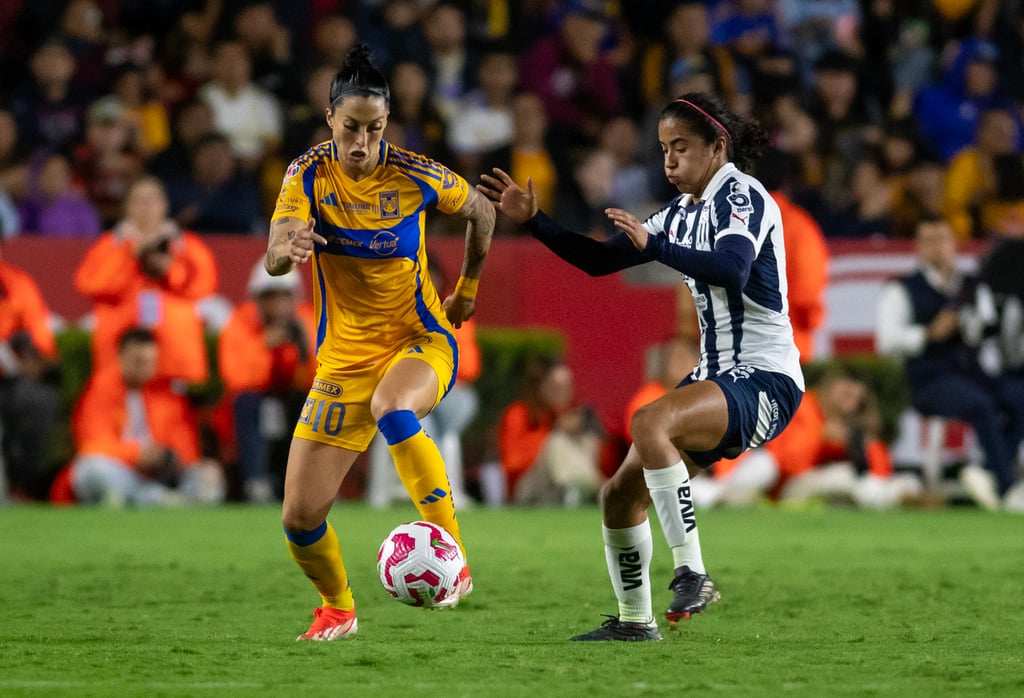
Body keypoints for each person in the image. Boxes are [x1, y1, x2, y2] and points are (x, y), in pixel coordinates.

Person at [479, 91, 804, 641]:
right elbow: (600, 261)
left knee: (651, 421)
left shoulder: (742, 196)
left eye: (681, 147)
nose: (669, 161)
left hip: (765, 377)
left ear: (717, 146)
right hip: (717, 376)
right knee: (618, 497)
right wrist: (535, 221)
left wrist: (657, 246)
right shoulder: (680, 212)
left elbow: (730, 267)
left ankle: (693, 573)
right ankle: (635, 622)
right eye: (662, 149)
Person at [265, 45, 494, 641]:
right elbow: (274, 250)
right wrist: (287, 253)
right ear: (329, 119)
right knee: (299, 517)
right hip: (343, 361)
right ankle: (338, 608)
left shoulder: (415, 174)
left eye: (375, 129)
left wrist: (466, 288)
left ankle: (456, 558)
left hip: (419, 341)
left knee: (392, 406)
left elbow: (483, 211)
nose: (362, 142)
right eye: (351, 129)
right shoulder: (306, 173)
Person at [876, 215, 1024, 511]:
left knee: (1018, 395)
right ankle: (1006, 488)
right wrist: (928, 333)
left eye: (943, 240)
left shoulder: (971, 284)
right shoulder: (902, 289)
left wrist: (970, 325)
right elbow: (886, 341)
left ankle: (993, 473)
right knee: (980, 404)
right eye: (930, 241)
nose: (939, 248)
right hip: (927, 379)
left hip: (971, 372)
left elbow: (986, 329)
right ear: (918, 247)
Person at [75, 175, 217, 386]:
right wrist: (128, 254)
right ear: (127, 207)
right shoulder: (111, 244)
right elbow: (90, 284)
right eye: (139, 200)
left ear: (164, 205)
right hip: (119, 352)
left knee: (171, 415)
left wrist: (169, 269)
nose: (146, 207)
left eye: (152, 200)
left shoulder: (184, 245)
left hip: (173, 356)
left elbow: (203, 285)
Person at [63, 327, 225, 507]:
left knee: (209, 474)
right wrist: (138, 456)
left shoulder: (167, 393)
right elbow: (93, 445)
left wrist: (172, 461)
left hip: (159, 475)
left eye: (150, 362)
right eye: (138, 361)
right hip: (121, 470)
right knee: (91, 469)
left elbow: (184, 445)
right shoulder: (100, 389)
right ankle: (156, 499)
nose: (146, 368)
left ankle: (153, 499)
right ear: (120, 356)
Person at [217, 260, 317, 503]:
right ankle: (256, 482)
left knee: (311, 403)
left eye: (285, 296)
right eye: (271, 296)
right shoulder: (240, 323)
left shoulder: (306, 320)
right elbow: (237, 379)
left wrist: (304, 349)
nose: (279, 305)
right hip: (252, 407)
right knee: (248, 402)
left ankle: (309, 483)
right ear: (258, 299)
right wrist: (264, 346)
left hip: (294, 403)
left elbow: (322, 377)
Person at [496, 354, 605, 506]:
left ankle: (582, 488)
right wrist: (552, 432)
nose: (564, 392)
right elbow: (512, 463)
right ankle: (592, 489)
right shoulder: (519, 414)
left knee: (586, 439)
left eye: (568, 386)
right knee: (557, 442)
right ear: (540, 386)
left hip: (562, 489)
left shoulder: (572, 414)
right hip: (530, 488)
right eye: (556, 387)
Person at [0, 232, 61, 501]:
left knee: (39, 401)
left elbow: (40, 340)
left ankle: (22, 483)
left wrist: (31, 361)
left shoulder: (16, 283)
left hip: (8, 379)